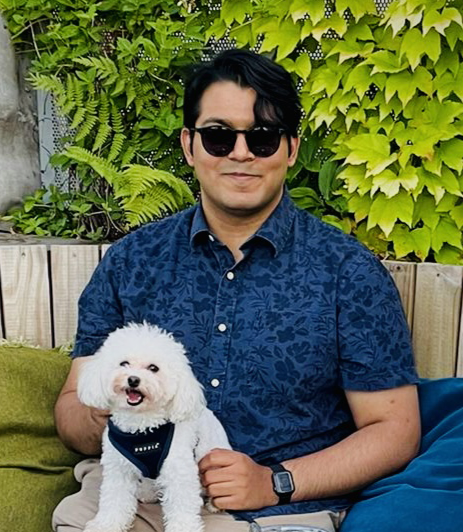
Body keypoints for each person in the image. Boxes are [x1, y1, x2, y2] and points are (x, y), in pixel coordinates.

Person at [52, 49, 420, 532]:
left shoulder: (348, 272)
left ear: (290, 149)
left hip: (281, 510)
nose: (241, 153)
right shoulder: (131, 262)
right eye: (218, 136)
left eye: (262, 137)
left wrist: (276, 481)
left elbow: (394, 429)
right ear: (190, 146)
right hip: (137, 494)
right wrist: (112, 409)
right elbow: (72, 407)